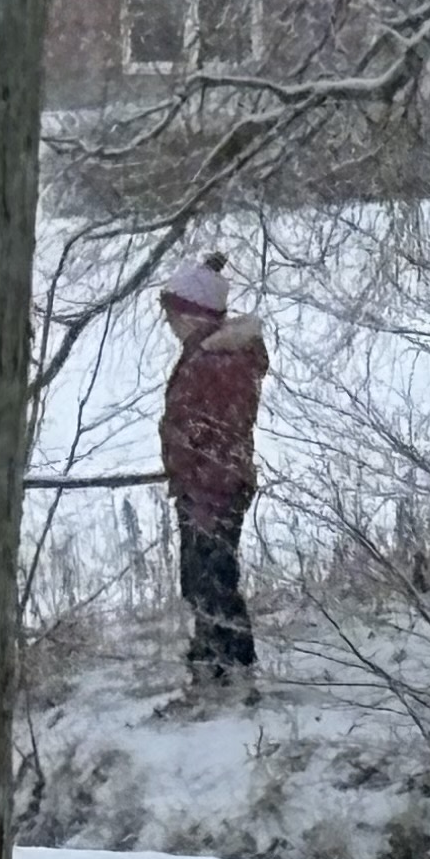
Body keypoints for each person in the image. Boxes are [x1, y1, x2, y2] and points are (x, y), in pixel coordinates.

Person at [156, 251, 267, 687]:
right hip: (203, 482)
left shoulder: (219, 362)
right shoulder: (206, 355)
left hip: (215, 485)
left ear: (195, 314)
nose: (171, 324)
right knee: (200, 579)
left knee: (213, 580)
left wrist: (190, 462)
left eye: (175, 314)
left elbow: (212, 429)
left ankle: (232, 668)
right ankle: (210, 662)